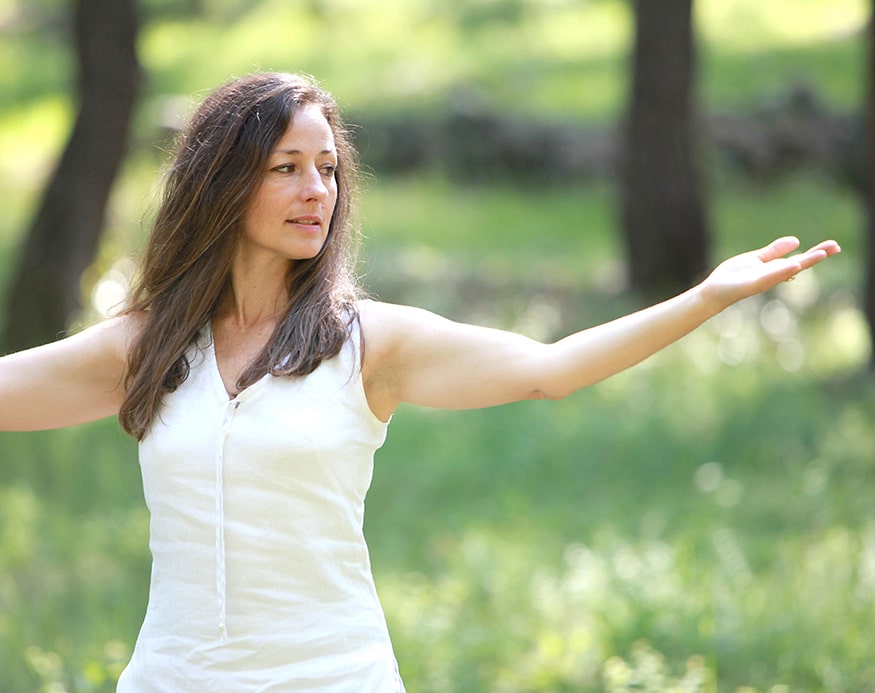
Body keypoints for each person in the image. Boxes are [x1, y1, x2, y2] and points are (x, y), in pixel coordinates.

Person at [0, 72, 840, 691]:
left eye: (327, 168)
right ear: (224, 180)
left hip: (333, 676)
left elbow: (547, 372)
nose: (316, 190)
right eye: (287, 167)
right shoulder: (149, 345)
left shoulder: (368, 342)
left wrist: (703, 297)